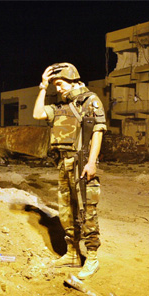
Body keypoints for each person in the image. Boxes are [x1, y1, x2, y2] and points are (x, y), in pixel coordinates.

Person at [33, 63, 107, 279]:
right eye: (55, 85)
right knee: (66, 211)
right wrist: (43, 86)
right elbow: (38, 114)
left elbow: (98, 132)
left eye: (61, 83)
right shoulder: (60, 106)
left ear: (74, 80)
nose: (58, 88)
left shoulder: (89, 101)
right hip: (63, 164)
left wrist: (91, 162)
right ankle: (72, 254)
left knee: (86, 210)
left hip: (81, 163)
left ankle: (92, 258)